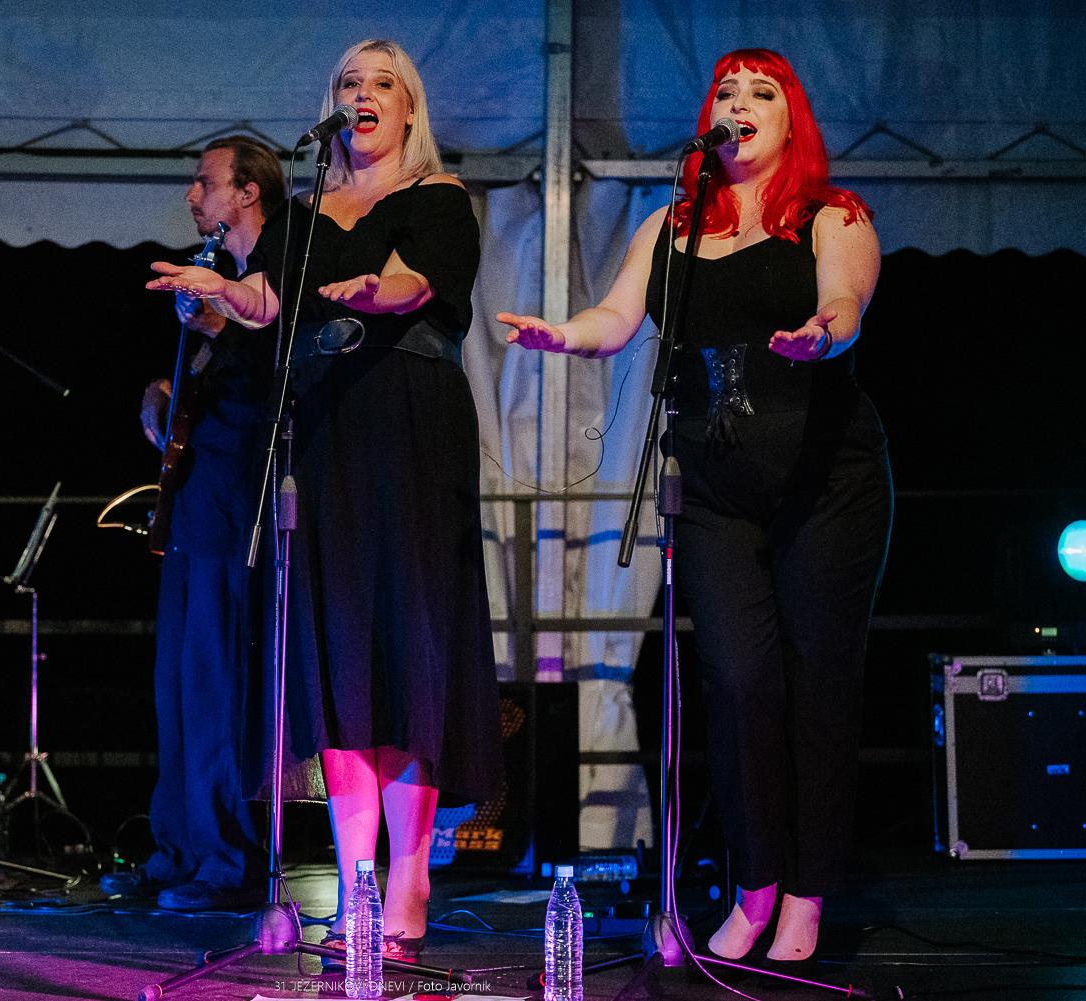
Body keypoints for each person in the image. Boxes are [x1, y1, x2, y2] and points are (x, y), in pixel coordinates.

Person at [498, 48, 892, 965]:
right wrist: (564, 334)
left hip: (826, 482)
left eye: (762, 93)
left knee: (817, 681)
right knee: (738, 680)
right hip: (714, 487)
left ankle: (807, 891)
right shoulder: (671, 225)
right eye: (727, 91)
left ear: (791, 120)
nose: (739, 104)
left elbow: (846, 300)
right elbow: (615, 319)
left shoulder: (831, 216)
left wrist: (824, 332)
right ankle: (753, 883)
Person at [147, 39, 503, 960]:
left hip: (411, 425)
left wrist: (379, 291)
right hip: (325, 428)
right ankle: (358, 882)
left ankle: (412, 878)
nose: (363, 95)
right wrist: (222, 288)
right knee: (337, 659)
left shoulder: (438, 198)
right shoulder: (305, 212)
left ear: (410, 108)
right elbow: (270, 301)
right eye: (350, 83)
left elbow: (418, 284)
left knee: (408, 650)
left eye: (383, 84)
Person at [132, 136, 287, 912]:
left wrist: (222, 323)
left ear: (248, 192)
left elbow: (280, 373)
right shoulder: (220, 277)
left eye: (206, 182)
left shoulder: (277, 276)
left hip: (237, 502)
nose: (193, 194)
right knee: (180, 683)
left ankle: (226, 857)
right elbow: (207, 379)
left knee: (220, 683)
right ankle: (179, 844)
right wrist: (162, 393)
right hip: (197, 501)